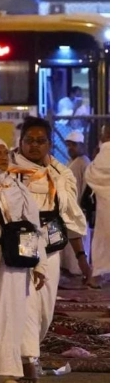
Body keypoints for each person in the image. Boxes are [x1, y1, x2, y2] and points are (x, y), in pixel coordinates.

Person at [9, 117, 89, 383]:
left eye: (40, 141)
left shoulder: (60, 174)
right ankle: (27, 359)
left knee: (44, 308)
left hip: (50, 245)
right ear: (21, 142)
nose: (34, 146)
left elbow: (70, 217)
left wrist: (81, 258)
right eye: (29, 140)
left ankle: (29, 351)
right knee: (26, 302)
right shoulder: (6, 171)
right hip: (18, 244)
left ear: (49, 143)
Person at [0, 137, 48, 383]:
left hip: (15, 260)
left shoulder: (17, 187)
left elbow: (33, 226)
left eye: (5, 152)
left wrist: (39, 264)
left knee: (11, 316)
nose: (4, 158)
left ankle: (6, 373)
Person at [60, 131, 92, 279]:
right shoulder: (70, 162)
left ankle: (80, 272)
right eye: (69, 145)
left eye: (74, 145)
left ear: (81, 145)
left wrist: (84, 208)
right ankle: (71, 271)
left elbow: (88, 189)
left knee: (79, 241)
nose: (70, 148)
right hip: (68, 209)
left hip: (79, 209)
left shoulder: (84, 162)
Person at [84, 123, 109, 289]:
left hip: (106, 207)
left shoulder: (105, 151)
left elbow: (91, 175)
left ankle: (98, 276)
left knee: (102, 241)